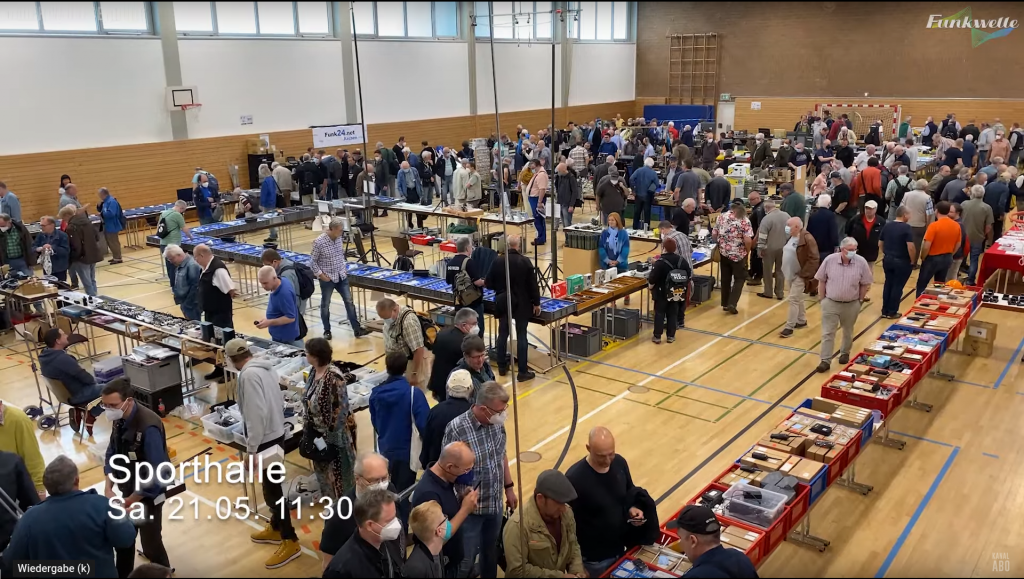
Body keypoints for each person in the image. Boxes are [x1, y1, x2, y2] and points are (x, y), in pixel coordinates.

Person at [224, 339, 300, 569]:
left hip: (265, 440)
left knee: (273, 492)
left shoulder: (247, 376)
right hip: (275, 434)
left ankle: (290, 539)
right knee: (271, 488)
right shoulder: (266, 368)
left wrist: (252, 449)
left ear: (230, 359)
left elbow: (256, 414)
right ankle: (276, 527)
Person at [4, 455, 134, 578]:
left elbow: (11, 566)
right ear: (76, 480)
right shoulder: (102, 506)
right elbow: (126, 539)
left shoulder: (29, 520)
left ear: (47, 486)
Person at [442, 381, 518, 578]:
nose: (503, 414)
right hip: (470, 514)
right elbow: (446, 471)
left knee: (491, 553)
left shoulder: (496, 424)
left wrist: (509, 488)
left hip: (494, 505)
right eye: (500, 410)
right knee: (465, 562)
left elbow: (502, 455)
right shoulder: (457, 429)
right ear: (484, 409)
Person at [101, 379, 172, 576]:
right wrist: (108, 487)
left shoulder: (148, 427)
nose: (108, 409)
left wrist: (132, 500)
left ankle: (163, 572)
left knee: (151, 543)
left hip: (147, 496)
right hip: (127, 490)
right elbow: (112, 452)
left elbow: (159, 474)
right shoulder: (120, 417)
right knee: (124, 539)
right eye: (104, 405)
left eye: (112, 405)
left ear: (128, 401)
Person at [565, 427, 650, 577]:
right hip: (593, 561)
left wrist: (633, 508)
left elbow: (630, 491)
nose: (607, 460)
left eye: (611, 454)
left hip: (620, 549)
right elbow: (566, 527)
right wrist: (577, 566)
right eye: (601, 456)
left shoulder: (620, 463)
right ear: (588, 449)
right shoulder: (575, 478)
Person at [410, 442, 480, 577]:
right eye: (466, 470)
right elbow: (437, 537)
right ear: (450, 467)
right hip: (444, 566)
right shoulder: (428, 494)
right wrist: (465, 510)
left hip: (454, 556)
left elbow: (445, 511)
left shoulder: (444, 479)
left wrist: (461, 499)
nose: (468, 474)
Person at [319, 452, 395, 571]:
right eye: (374, 481)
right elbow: (329, 564)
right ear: (357, 479)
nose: (381, 485)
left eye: (384, 478)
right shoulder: (339, 516)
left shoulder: (389, 491)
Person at [503, 469, 584, 578]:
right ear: (540, 498)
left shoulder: (566, 513)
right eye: (558, 503)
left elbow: (573, 545)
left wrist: (577, 571)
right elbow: (517, 571)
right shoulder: (517, 526)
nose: (563, 508)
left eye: (564, 503)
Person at [303, 338, 356, 502]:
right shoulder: (313, 372)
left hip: (334, 439)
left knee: (339, 479)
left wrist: (330, 441)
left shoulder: (334, 377)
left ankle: (343, 511)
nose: (305, 355)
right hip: (318, 436)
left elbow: (341, 411)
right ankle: (331, 505)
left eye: (307, 353)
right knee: (324, 477)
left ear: (315, 356)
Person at [369, 350, 429, 493]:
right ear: (404, 368)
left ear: (387, 367)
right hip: (407, 453)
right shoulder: (414, 394)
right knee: (404, 493)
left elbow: (375, 422)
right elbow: (425, 425)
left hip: (384, 448)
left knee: (386, 491)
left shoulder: (375, 394)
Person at [485, 234, 540, 381]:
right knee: (522, 335)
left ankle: (502, 366)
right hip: (522, 303)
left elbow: (488, 283)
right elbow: (533, 285)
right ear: (519, 245)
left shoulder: (497, 261)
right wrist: (537, 303)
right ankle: (522, 372)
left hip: (503, 301)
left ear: (507, 245)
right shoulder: (525, 261)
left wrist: (500, 288)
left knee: (503, 334)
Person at [814, 237, 874, 373]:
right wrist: (822, 299)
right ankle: (825, 360)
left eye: (855, 249)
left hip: (851, 304)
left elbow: (865, 283)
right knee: (828, 332)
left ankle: (845, 352)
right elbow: (821, 280)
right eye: (850, 250)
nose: (853, 252)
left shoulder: (861, 262)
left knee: (848, 330)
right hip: (830, 302)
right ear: (842, 249)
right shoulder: (830, 260)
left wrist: (860, 300)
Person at [323, 488, 405, 578]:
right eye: (389, 520)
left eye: (394, 516)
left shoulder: (388, 539)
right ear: (369, 525)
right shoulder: (342, 570)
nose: (396, 524)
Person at [38, 327, 104, 434]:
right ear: (58, 341)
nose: (66, 336)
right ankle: (92, 415)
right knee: (117, 389)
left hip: (65, 395)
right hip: (78, 394)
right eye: (63, 334)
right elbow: (85, 377)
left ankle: (78, 411)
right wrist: (98, 384)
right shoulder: (62, 359)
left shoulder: (45, 356)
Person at [666, 505, 759, 579]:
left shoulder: (695, 576)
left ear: (693, 541)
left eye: (681, 538)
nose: (681, 543)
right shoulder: (740, 558)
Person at [311, 218, 367, 340]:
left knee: (349, 302)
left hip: (341, 275)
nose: (342, 233)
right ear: (333, 229)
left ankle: (357, 329)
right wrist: (321, 275)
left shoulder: (339, 239)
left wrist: (344, 267)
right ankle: (327, 330)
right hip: (327, 278)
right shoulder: (319, 242)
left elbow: (340, 255)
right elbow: (313, 262)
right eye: (340, 230)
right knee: (325, 304)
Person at [427, 308, 479, 402]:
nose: (476, 326)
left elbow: (434, 359)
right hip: (456, 387)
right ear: (464, 325)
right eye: (474, 324)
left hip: (438, 383)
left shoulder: (442, 333)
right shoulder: (466, 343)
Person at [779, 216, 819, 338]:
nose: (786, 227)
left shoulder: (807, 238)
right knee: (798, 298)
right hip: (790, 273)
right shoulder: (792, 237)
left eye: (789, 225)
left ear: (797, 227)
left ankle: (789, 327)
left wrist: (804, 275)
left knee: (793, 300)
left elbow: (814, 258)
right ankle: (801, 321)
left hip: (800, 275)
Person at [712, 201, 754, 315]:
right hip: (738, 255)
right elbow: (748, 240)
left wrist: (720, 244)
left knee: (725, 279)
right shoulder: (745, 220)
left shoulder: (721, 217)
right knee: (739, 279)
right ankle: (732, 303)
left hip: (724, 253)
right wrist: (747, 251)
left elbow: (714, 234)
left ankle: (725, 303)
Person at [378, 298, 429, 387]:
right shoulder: (392, 317)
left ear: (395, 309)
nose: (385, 320)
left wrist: (414, 373)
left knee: (412, 395)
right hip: (397, 366)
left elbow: (418, 350)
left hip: (411, 363)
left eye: (386, 318)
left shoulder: (408, 322)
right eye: (383, 318)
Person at [915, 201, 962, 297]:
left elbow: (926, 245)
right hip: (947, 257)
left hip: (932, 259)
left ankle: (919, 306)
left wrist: (923, 257)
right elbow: (958, 244)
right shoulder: (956, 225)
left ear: (936, 211)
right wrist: (950, 254)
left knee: (922, 284)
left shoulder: (934, 226)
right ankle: (936, 304)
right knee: (940, 284)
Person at [878, 206, 917, 319]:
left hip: (888, 259)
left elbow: (880, 243)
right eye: (909, 214)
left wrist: (886, 253)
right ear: (904, 215)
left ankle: (884, 310)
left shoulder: (888, 225)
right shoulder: (906, 228)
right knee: (897, 286)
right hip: (902, 261)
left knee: (888, 284)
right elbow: (910, 247)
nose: (910, 217)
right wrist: (913, 260)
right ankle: (892, 311)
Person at [445, 238, 485, 337]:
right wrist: (487, 281)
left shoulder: (450, 263)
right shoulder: (469, 262)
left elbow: (448, 281)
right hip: (473, 303)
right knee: (476, 331)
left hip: (459, 302)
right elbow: (477, 282)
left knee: (462, 332)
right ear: (467, 248)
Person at [255, 266, 302, 347]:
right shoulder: (280, 281)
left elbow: (290, 317)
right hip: (279, 335)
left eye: (265, 283)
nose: (263, 286)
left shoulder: (284, 293)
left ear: (274, 278)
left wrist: (269, 322)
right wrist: (267, 320)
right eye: (261, 283)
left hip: (286, 339)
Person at [756, 199, 791, 301]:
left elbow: (762, 236)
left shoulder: (766, 219)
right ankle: (780, 293)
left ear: (766, 208)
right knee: (780, 271)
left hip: (769, 248)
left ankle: (768, 292)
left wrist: (760, 248)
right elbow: (790, 231)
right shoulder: (786, 216)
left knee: (767, 271)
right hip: (784, 247)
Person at [62, 206, 100, 296]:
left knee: (86, 281)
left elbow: (75, 245)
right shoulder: (87, 222)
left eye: (63, 218)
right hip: (92, 253)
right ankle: (96, 296)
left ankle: (92, 298)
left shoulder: (71, 227)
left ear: (67, 215)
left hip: (81, 257)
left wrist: (74, 258)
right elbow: (97, 237)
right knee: (92, 278)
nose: (63, 220)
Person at [962, 184, 994, 285]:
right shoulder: (987, 208)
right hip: (977, 238)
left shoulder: (964, 204)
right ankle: (971, 280)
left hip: (963, 237)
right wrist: (983, 235)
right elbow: (988, 227)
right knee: (974, 260)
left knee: (960, 258)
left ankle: (957, 276)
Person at [900, 179, 936, 268]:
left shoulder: (906, 194)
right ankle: (913, 263)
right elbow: (929, 213)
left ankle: (903, 260)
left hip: (906, 222)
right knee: (916, 244)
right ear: (925, 187)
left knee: (903, 242)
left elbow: (901, 207)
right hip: (919, 225)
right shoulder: (927, 198)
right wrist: (927, 225)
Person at [262, 248, 307, 317]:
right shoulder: (284, 263)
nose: (267, 268)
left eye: (268, 265)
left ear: (275, 262)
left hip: (295, 307)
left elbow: (288, 294)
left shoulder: (286, 274)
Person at [157, 200, 191, 287]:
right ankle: (177, 286)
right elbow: (184, 228)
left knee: (170, 267)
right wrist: (191, 237)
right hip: (173, 245)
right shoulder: (177, 215)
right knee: (176, 267)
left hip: (163, 243)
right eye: (183, 210)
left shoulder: (164, 213)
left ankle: (173, 286)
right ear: (181, 208)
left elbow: (158, 227)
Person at [162, 245, 201, 320]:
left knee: (195, 326)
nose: (171, 262)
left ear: (179, 255)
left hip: (191, 304)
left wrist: (188, 303)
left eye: (172, 259)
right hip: (185, 302)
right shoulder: (180, 264)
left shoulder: (192, 265)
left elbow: (195, 286)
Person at [845, 199, 885, 269]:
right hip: (857, 252)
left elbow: (884, 236)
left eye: (870, 209)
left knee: (868, 272)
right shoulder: (855, 219)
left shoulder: (881, 222)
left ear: (875, 209)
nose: (868, 210)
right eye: (866, 208)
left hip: (871, 253)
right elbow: (848, 232)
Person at [32, 215, 70, 282]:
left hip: (59, 268)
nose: (42, 227)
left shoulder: (62, 236)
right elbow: (33, 247)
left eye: (44, 225)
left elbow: (65, 251)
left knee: (61, 288)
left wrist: (52, 248)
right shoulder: (40, 235)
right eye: (41, 225)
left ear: (52, 225)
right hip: (46, 268)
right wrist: (40, 249)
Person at [0, 211, 33, 278]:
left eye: (3, 226)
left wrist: (31, 261)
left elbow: (29, 244)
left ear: (9, 222)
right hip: (7, 261)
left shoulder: (21, 229)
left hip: (22, 260)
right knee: (11, 282)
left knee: (29, 279)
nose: (1, 228)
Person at [525, 158, 550, 245]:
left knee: (538, 218)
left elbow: (542, 189)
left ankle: (541, 238)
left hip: (537, 199)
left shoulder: (542, 175)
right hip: (533, 198)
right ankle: (541, 237)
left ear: (535, 164)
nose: (530, 166)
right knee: (537, 218)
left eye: (531, 164)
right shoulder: (537, 173)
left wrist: (539, 202)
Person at [97, 187, 124, 263]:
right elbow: (104, 210)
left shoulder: (111, 201)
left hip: (112, 224)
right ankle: (115, 256)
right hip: (108, 224)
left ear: (103, 194)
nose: (99, 196)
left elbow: (111, 213)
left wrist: (101, 214)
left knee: (113, 241)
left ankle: (118, 258)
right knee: (110, 241)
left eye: (100, 195)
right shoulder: (106, 201)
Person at [808, 193, 838, 259]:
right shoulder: (831, 216)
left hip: (815, 246)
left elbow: (808, 231)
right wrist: (836, 245)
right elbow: (833, 232)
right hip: (827, 247)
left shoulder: (813, 215)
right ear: (829, 203)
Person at [984, 172, 1012, 241]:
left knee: (985, 229)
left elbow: (984, 196)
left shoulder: (989, 185)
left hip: (986, 210)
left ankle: (984, 247)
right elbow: (1001, 203)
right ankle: (994, 246)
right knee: (997, 231)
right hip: (996, 212)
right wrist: (1002, 214)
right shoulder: (1005, 188)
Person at [555, 161, 582, 229]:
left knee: (567, 224)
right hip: (560, 202)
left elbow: (575, 192)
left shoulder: (571, 178)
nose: (558, 172)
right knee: (564, 223)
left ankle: (568, 238)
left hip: (567, 204)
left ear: (563, 170)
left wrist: (571, 205)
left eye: (559, 171)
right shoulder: (560, 177)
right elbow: (557, 188)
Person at [258, 163, 281, 242]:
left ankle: (273, 234)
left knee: (268, 220)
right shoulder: (272, 179)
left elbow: (264, 194)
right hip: (273, 201)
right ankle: (274, 233)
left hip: (267, 203)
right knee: (272, 218)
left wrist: (261, 204)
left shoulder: (265, 181)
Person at [746, 192, 765, 284]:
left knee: (757, 258)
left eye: (751, 200)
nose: (750, 202)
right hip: (754, 236)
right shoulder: (757, 208)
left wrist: (756, 239)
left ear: (757, 198)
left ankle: (758, 277)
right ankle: (752, 272)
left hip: (757, 237)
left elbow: (760, 225)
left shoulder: (759, 209)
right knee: (754, 257)